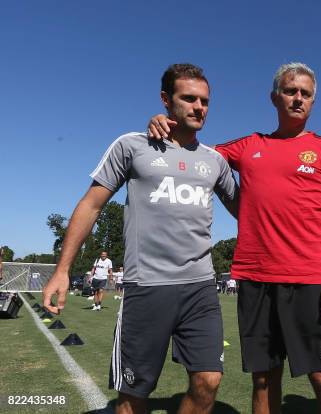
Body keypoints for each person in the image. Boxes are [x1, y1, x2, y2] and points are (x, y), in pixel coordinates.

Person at [148, 62, 321, 414]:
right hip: (256, 279)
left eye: (306, 93)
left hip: (310, 279)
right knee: (263, 377)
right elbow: (195, 150)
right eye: (291, 91)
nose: (298, 98)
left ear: (313, 101)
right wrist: (164, 122)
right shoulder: (248, 146)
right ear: (275, 97)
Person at [43, 63, 239, 414]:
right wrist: (62, 269)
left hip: (200, 288)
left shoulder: (216, 161)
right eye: (189, 98)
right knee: (134, 397)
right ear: (166, 100)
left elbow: (248, 212)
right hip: (147, 286)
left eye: (205, 101)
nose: (199, 107)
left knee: (208, 381)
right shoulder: (132, 146)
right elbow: (90, 205)